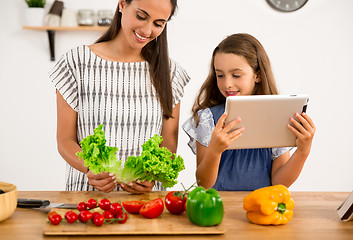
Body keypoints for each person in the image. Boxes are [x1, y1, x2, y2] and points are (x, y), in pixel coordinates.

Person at [49, 0, 190, 193]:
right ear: (122, 4)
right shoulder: (77, 62)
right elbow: (65, 140)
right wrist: (91, 169)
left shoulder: (171, 73)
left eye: (158, 24)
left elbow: (168, 144)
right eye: (141, 16)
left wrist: (151, 175)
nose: (147, 30)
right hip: (87, 197)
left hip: (146, 203)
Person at [182, 33, 315, 191]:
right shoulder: (207, 118)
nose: (227, 83)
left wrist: (303, 150)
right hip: (218, 207)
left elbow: (280, 183)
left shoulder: (276, 117)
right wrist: (215, 151)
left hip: (262, 207)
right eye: (220, 75)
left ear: (257, 75)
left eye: (236, 75)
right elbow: (203, 183)